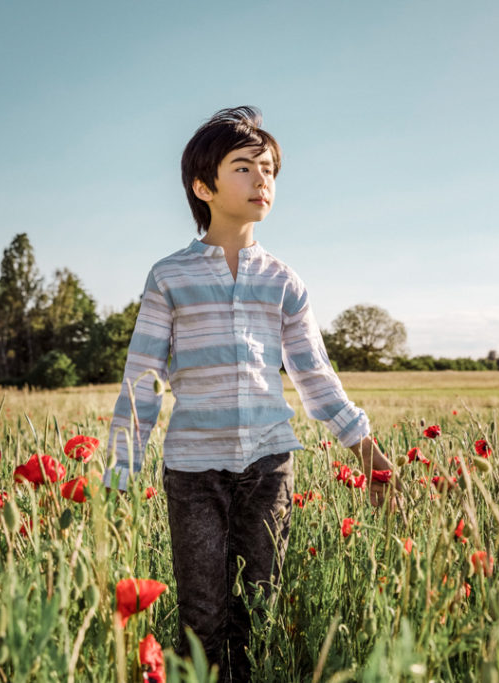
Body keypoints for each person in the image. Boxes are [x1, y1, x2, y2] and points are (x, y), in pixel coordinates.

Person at [104, 106, 397, 682]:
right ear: (202, 185)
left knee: (258, 609)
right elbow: (143, 378)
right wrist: (119, 471)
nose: (262, 179)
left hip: (269, 466)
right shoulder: (170, 277)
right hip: (194, 471)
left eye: (269, 169)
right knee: (203, 614)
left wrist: (371, 456)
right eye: (244, 167)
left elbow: (315, 376)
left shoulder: (284, 281)